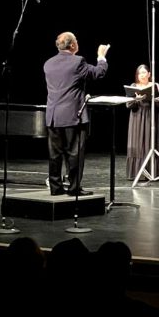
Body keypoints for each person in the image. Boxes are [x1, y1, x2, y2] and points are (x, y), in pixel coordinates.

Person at [44, 31, 110, 196]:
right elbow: (98, 73)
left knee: (55, 155)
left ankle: (56, 188)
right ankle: (73, 189)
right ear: (72, 45)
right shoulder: (77, 61)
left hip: (53, 116)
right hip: (73, 115)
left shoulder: (48, 63)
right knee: (74, 154)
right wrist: (101, 56)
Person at [125, 64, 159, 180]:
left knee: (149, 142)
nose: (142, 75)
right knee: (136, 144)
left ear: (149, 74)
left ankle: (151, 171)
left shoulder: (154, 86)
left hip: (150, 117)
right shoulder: (133, 86)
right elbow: (128, 104)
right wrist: (136, 100)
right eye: (139, 73)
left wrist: (150, 98)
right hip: (136, 117)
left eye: (144, 73)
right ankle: (136, 172)